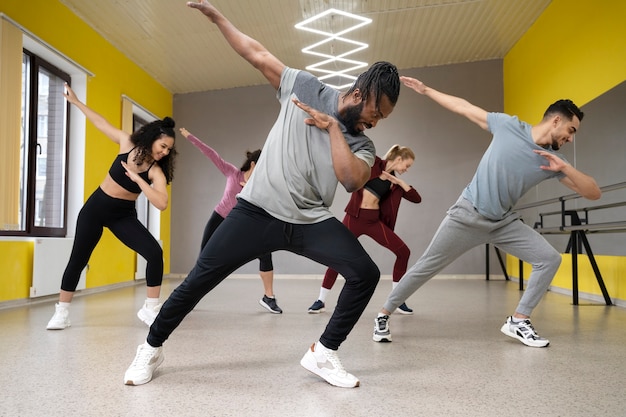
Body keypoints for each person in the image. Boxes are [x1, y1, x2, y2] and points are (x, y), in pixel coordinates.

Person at [123, 0, 400, 388]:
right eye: (378, 111)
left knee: (365, 273)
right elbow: (256, 53)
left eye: (383, 118)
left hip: (310, 221)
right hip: (256, 211)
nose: (377, 121)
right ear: (360, 92)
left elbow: (352, 181)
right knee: (198, 280)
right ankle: (151, 350)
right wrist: (218, 18)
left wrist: (333, 129)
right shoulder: (304, 85)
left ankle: (323, 353)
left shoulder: (362, 144)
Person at [373, 76, 601, 347]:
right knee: (426, 266)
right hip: (467, 215)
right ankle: (383, 314)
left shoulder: (554, 161)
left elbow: (592, 192)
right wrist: (426, 90)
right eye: (571, 130)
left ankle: (519, 320)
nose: (570, 138)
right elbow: (464, 107)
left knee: (549, 258)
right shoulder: (509, 126)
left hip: (502, 223)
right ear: (556, 121)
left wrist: (565, 168)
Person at [46, 83, 177, 330]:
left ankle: (150, 309)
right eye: (162, 146)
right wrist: (76, 102)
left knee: (154, 253)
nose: (164, 152)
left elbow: (161, 203)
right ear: (152, 139)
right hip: (95, 209)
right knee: (78, 259)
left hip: (122, 216)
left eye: (169, 149)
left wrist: (139, 179)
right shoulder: (127, 143)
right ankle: (61, 312)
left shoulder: (155, 171)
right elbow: (100, 122)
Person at [308, 144, 422, 314]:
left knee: (403, 252)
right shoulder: (373, 164)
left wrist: (397, 181)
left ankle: (397, 300)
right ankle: (321, 300)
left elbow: (416, 198)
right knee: (336, 256)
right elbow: (352, 158)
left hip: (373, 221)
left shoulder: (394, 182)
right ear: (399, 159)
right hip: (354, 218)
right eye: (407, 165)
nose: (406, 169)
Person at [180, 127, 282, 313]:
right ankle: (188, 295)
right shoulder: (232, 173)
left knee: (266, 253)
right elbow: (212, 154)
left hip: (246, 223)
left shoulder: (261, 185)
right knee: (204, 258)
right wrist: (190, 137)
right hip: (220, 218)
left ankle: (269, 297)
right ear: (253, 164)